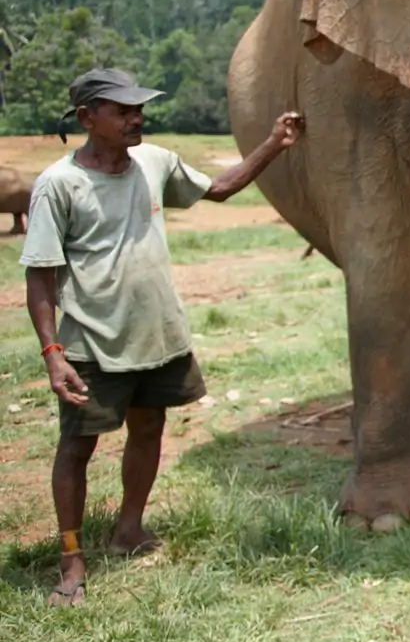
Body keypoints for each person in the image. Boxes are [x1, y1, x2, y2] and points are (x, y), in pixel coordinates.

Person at [23, 69, 305, 607]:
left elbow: (218, 189)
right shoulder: (60, 184)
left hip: (158, 337)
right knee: (78, 447)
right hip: (92, 344)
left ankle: (129, 529)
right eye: (123, 110)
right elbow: (39, 273)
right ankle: (71, 557)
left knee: (149, 428)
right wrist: (52, 353)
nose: (137, 118)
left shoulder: (153, 162)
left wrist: (275, 142)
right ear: (87, 118)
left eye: (139, 109)